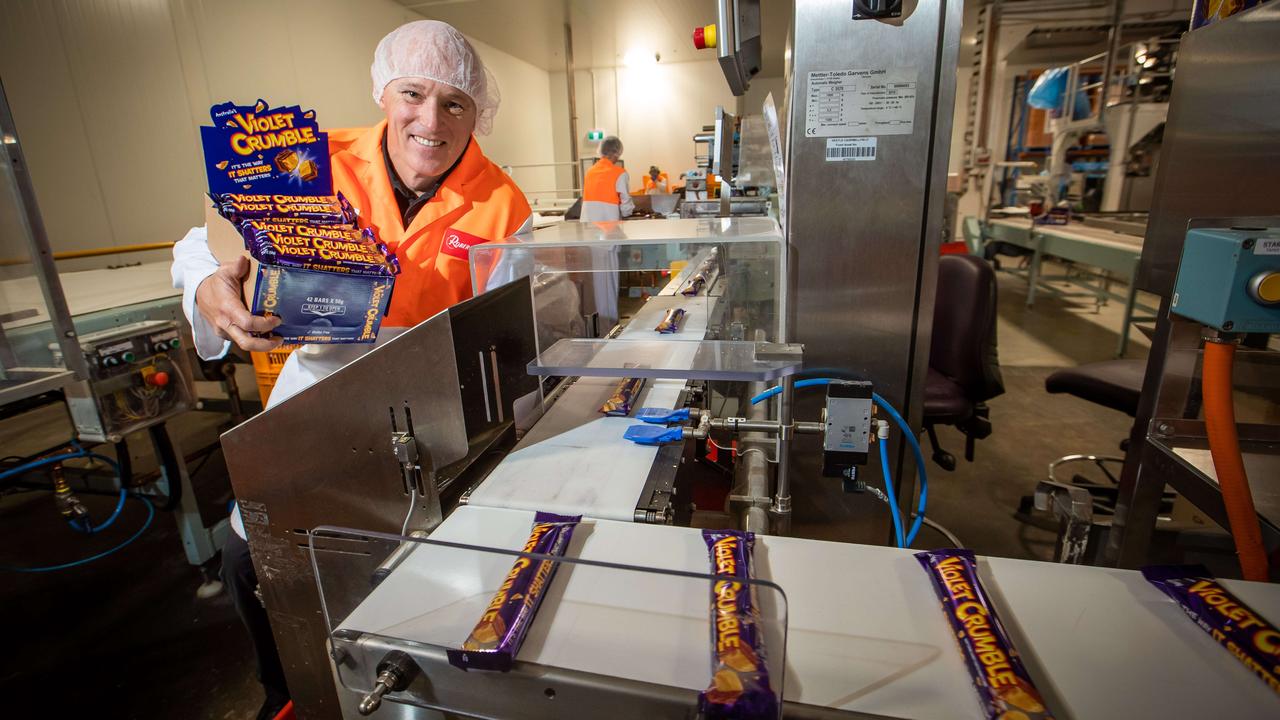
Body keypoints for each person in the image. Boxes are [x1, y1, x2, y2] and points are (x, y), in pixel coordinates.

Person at [169, 20, 531, 720]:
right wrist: (210, 284)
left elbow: (507, 331)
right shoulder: (313, 162)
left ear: (477, 112)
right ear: (383, 92)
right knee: (252, 558)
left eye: (455, 103)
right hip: (320, 392)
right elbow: (201, 240)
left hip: (434, 406)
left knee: (419, 571)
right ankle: (288, 695)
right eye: (414, 93)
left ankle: (419, 693)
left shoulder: (502, 203)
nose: (431, 119)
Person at [580, 135, 634, 222]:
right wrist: (626, 213)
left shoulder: (590, 171)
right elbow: (625, 199)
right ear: (617, 153)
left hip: (587, 222)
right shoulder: (620, 173)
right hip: (609, 221)